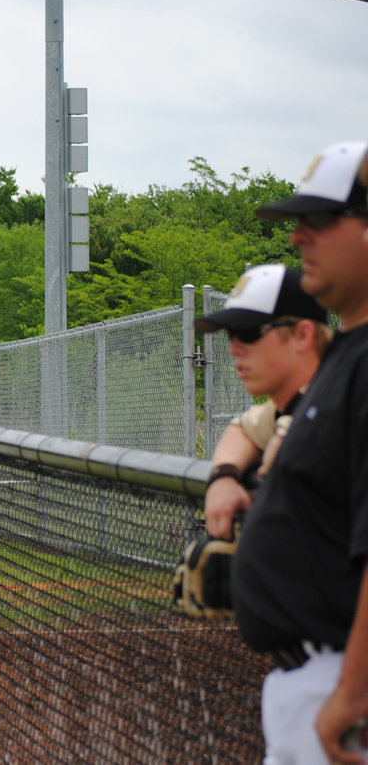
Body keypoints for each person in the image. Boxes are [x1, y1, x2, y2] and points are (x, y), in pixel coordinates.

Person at [231, 139, 368, 764]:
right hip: (311, 676)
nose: (297, 236)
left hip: (342, 682)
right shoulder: (346, 358)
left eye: (319, 219)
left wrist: (352, 690)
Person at [195, 264, 330, 541]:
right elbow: (243, 428)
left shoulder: (343, 401)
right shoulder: (296, 403)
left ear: (302, 335)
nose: (233, 348)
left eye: (248, 332)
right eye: (230, 334)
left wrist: (299, 436)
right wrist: (223, 477)